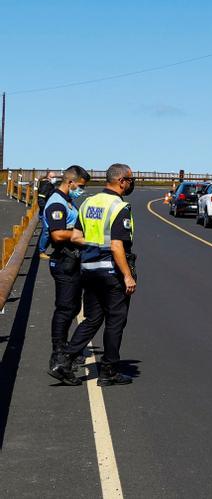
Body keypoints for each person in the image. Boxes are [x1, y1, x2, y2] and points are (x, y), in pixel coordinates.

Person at [49, 164, 138, 387]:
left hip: (88, 270)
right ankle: (109, 370)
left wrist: (96, 244)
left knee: (93, 319)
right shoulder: (119, 207)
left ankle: (64, 360)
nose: (131, 183)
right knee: (115, 320)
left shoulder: (88, 202)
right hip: (111, 272)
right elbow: (117, 246)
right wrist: (127, 275)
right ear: (121, 181)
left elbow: (77, 236)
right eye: (129, 179)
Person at [40, 165, 91, 372]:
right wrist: (83, 238)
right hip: (63, 261)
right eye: (80, 186)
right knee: (65, 308)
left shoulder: (67, 201)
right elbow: (57, 235)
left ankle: (65, 349)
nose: (81, 190)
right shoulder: (56, 203)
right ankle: (59, 352)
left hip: (72, 262)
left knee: (72, 308)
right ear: (70, 182)